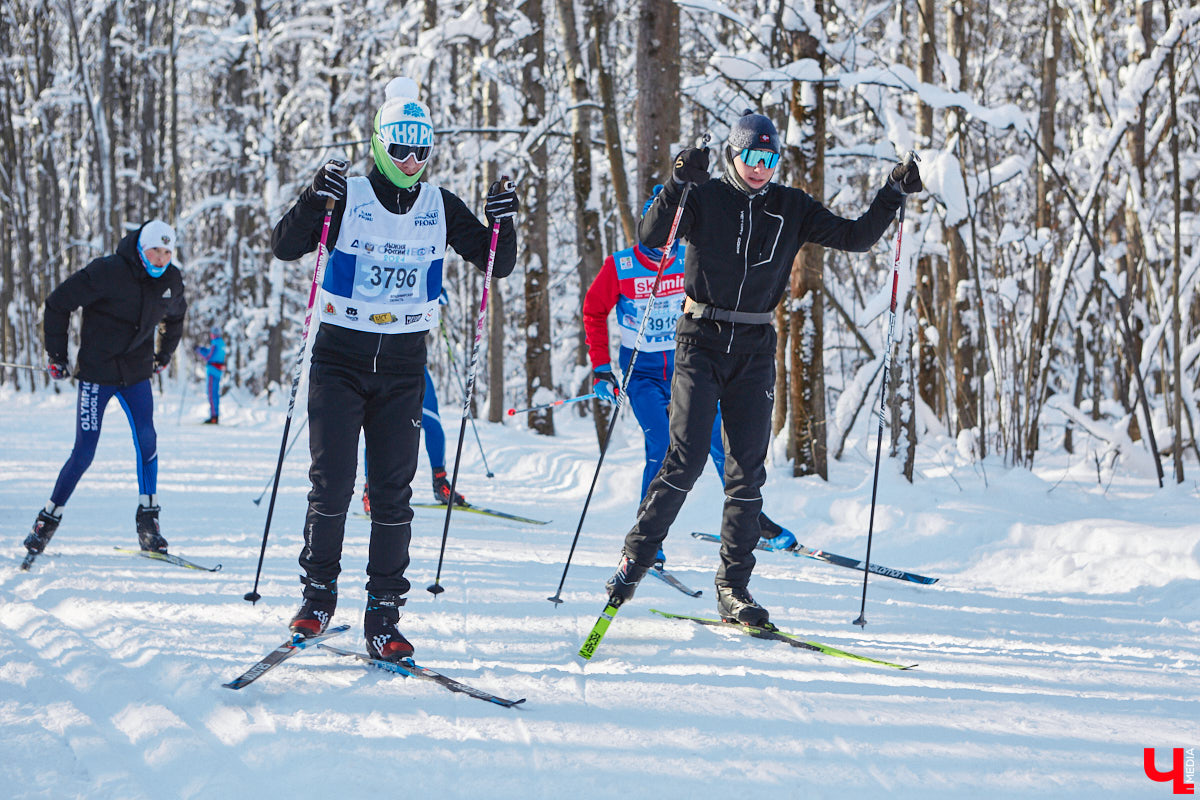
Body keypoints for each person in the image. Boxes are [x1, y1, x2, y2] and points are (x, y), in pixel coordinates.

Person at [605, 110, 922, 626]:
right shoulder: (705, 196)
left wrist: (892, 191)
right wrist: (678, 181)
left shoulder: (789, 206)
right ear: (734, 155)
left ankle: (734, 587)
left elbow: (857, 237)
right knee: (683, 461)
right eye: (752, 157)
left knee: (748, 473)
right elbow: (650, 236)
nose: (760, 168)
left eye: (770, 159)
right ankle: (635, 559)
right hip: (700, 338)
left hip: (754, 344)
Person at [270, 76, 519, 662]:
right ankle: (318, 594)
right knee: (331, 483)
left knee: (392, 494)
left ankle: (383, 614)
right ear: (380, 144)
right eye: (400, 147)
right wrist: (313, 197)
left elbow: (494, 265)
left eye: (421, 149)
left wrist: (504, 222)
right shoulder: (347, 195)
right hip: (340, 356)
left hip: (404, 365)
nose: (411, 160)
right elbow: (285, 245)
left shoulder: (439, 205)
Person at [583, 187, 798, 567]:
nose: (667, 237)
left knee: (722, 442)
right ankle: (646, 533)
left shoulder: (689, 258)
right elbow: (593, 311)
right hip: (644, 375)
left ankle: (755, 522)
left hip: (688, 368)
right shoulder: (620, 266)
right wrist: (601, 369)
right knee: (663, 441)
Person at [22, 220, 188, 563]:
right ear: (142, 249)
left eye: (168, 252)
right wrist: (57, 355)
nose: (161, 258)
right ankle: (46, 520)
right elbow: (57, 303)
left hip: (137, 374)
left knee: (147, 441)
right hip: (97, 373)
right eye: (155, 250)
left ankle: (149, 524)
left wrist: (163, 354)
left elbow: (175, 318)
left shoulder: (171, 280)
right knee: (84, 452)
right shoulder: (108, 271)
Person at [361, 363, 466, 515]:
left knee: (433, 424)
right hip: (382, 363)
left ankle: (440, 482)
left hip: (413, 360)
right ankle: (370, 490)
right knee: (379, 427)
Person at [193, 325, 227, 424]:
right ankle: (215, 415)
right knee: (215, 393)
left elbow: (208, 356)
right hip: (218, 371)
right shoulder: (222, 343)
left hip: (212, 370)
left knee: (211, 394)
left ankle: (214, 417)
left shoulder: (215, 343)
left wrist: (199, 350)